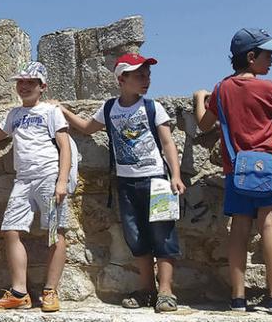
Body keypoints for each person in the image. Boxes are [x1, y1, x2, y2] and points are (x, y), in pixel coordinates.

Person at [193, 28, 272, 314]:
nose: (271, 59)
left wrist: (199, 98)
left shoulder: (221, 89)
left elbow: (205, 124)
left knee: (239, 229)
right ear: (251, 57)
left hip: (236, 170)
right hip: (268, 167)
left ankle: (237, 298)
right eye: (267, 54)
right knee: (269, 225)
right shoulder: (266, 87)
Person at [60, 53, 184, 313]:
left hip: (156, 180)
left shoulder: (152, 108)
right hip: (126, 183)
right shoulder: (109, 109)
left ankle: (166, 291)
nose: (146, 80)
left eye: (147, 75)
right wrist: (63, 111)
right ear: (122, 79)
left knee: (163, 234)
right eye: (139, 75)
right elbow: (86, 127)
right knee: (135, 236)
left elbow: (167, 142)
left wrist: (175, 175)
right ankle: (147, 289)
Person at [0, 61, 70, 312]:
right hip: (23, 179)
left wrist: (61, 181)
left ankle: (51, 291)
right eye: (21, 82)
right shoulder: (14, 114)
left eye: (30, 82)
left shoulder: (51, 112)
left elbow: (64, 146)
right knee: (10, 230)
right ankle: (20, 292)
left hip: (48, 175)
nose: (24, 86)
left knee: (55, 232)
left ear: (43, 87)